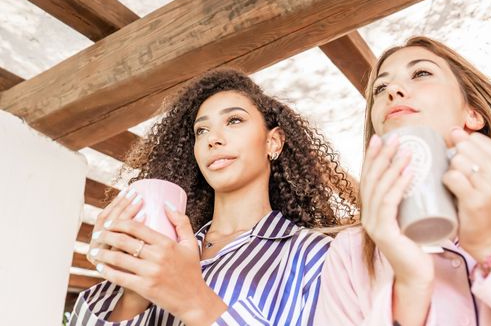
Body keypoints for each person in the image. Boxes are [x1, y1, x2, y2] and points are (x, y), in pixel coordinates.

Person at [69, 68, 357, 325]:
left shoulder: (315, 255)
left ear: (273, 141)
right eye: (201, 130)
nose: (212, 138)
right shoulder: (165, 252)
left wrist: (193, 299)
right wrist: (134, 292)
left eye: (233, 120)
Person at [315, 37, 491, 326]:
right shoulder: (350, 252)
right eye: (380, 88)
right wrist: (409, 289)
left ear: (473, 113)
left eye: (421, 73)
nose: (393, 91)